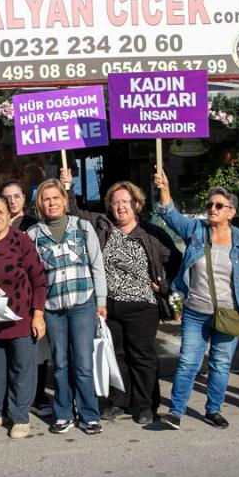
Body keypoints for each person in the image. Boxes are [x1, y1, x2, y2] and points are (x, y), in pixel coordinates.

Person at [60, 169, 181, 424]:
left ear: (136, 204)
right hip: (110, 307)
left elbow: (177, 260)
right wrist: (68, 186)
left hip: (142, 307)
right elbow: (75, 212)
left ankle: (145, 405)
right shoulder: (102, 225)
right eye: (115, 202)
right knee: (116, 356)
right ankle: (118, 401)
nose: (120, 207)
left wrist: (166, 285)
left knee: (142, 356)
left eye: (125, 202)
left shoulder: (150, 233)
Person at [153, 169, 239, 430]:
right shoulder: (196, 231)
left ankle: (213, 409)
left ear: (231, 212)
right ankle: (175, 411)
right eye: (210, 204)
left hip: (230, 312)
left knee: (220, 364)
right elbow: (170, 215)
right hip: (195, 311)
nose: (212, 208)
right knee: (189, 362)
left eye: (219, 205)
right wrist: (165, 188)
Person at [26, 178, 107, 435]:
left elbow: (97, 266)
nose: (51, 203)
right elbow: (33, 276)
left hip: (83, 303)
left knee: (83, 363)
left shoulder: (82, 228)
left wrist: (101, 302)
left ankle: (89, 414)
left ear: (64, 200)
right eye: (46, 199)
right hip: (52, 308)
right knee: (60, 363)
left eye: (55, 198)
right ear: (40, 203)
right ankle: (63, 414)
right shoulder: (33, 235)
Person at [0, 193, 48, 439]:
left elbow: (39, 280)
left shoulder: (21, 240)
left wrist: (38, 315)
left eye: (1, 212)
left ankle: (20, 416)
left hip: (21, 317)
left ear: (9, 215)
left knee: (22, 368)